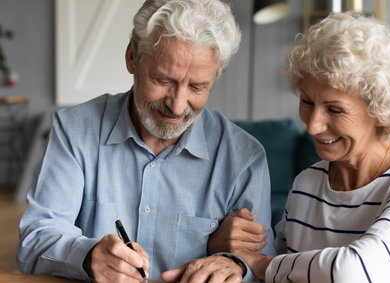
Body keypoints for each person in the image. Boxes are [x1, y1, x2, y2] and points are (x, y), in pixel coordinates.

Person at [16, 0, 275, 282]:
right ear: (132, 57)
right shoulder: (74, 131)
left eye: (197, 87)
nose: (177, 106)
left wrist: (235, 264)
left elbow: (263, 265)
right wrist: (88, 257)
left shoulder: (244, 157)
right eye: (163, 80)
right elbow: (35, 240)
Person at [166, 11, 390, 283]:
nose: (313, 126)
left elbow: (354, 271)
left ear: (381, 110)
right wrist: (233, 260)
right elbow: (282, 272)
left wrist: (259, 262)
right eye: (308, 102)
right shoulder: (308, 184)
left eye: (335, 110)